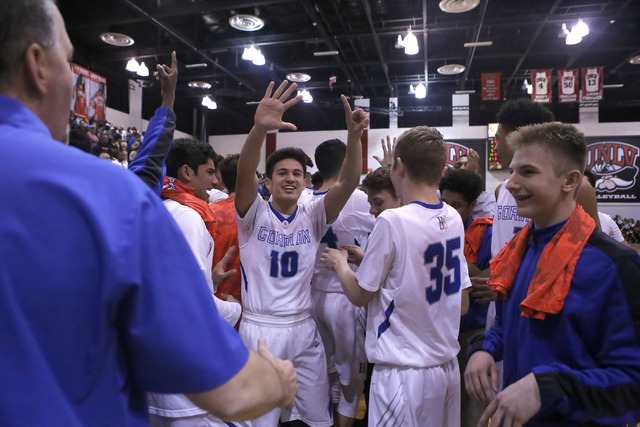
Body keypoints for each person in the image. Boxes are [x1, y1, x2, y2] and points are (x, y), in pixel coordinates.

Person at [0, 1, 297, 424]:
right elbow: (231, 391)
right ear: (37, 65)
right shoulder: (106, 197)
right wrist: (279, 380)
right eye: (68, 59)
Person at [464, 122, 640, 426]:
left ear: (570, 181)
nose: (510, 184)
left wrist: (547, 388)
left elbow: (632, 383)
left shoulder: (614, 264)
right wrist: (484, 349)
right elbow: (508, 326)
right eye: (511, 172)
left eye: (528, 172)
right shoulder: (519, 252)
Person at [234, 80, 369, 427]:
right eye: (282, 173)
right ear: (269, 181)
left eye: (297, 173)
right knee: (257, 420)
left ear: (307, 179)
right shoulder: (253, 214)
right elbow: (243, 171)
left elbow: (349, 181)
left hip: (303, 326)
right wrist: (259, 128)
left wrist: (354, 139)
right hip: (260, 328)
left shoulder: (313, 215)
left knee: (316, 419)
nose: (290, 178)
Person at [322, 126, 471, 427]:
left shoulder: (392, 220)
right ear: (441, 169)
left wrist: (340, 264)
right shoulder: (453, 217)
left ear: (398, 166)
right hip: (446, 368)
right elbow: (460, 300)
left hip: (404, 372)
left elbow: (359, 295)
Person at [148, 139, 243, 426]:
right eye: (210, 172)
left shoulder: (159, 206)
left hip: (152, 355)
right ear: (187, 173)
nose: (215, 181)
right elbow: (193, 302)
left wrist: (209, 280)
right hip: (181, 362)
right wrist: (234, 310)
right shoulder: (190, 217)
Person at [310, 138, 375, 427]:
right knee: (351, 387)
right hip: (346, 296)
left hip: (313, 299)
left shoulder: (302, 201)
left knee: (325, 376)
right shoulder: (361, 199)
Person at [439, 168, 494, 427]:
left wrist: (449, 260)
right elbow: (475, 276)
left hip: (473, 331)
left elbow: (487, 282)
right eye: (444, 202)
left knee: (473, 411)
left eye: (457, 205)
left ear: (474, 205)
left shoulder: (488, 232)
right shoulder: (433, 226)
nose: (448, 209)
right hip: (437, 334)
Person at [210, 154, 243, 305]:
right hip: (256, 307)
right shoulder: (267, 214)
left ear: (222, 182)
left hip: (216, 299)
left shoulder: (208, 213)